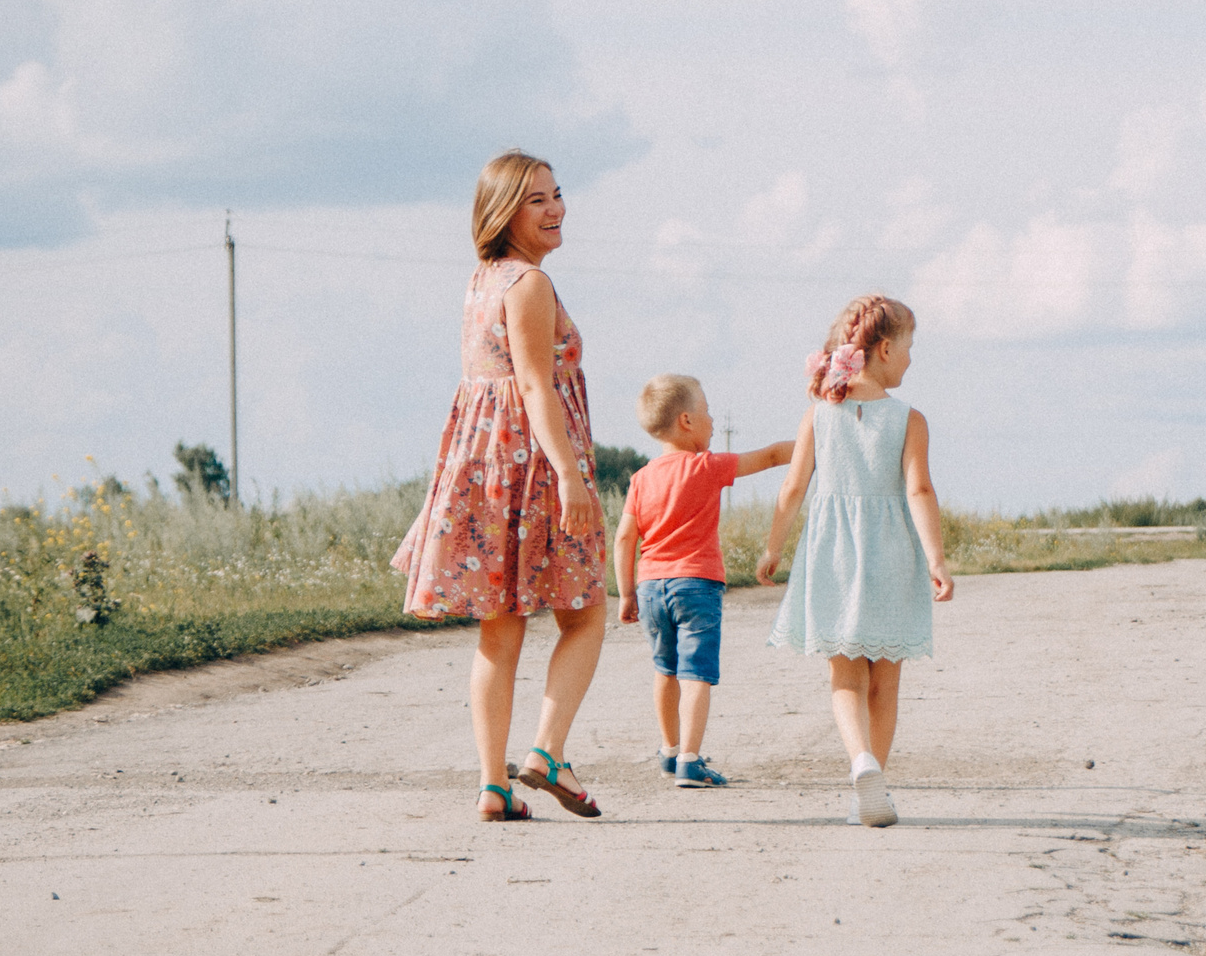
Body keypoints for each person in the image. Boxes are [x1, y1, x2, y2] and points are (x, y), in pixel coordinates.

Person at [391, 150, 609, 822]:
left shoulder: (482, 280)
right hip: (533, 461)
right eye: (535, 200)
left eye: (556, 194)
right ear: (503, 214)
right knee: (585, 611)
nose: (555, 209)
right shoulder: (530, 284)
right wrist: (569, 474)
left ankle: (494, 785)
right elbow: (535, 386)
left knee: (500, 627)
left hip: (483, 463)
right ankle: (547, 752)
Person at [758, 296, 954, 827]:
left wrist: (773, 548)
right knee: (885, 684)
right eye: (909, 346)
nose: (911, 358)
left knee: (845, 678)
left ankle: (860, 761)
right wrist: (936, 559)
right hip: (892, 557)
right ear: (885, 349)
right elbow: (919, 490)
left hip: (833, 558)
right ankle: (875, 786)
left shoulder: (819, 415)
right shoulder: (910, 419)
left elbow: (793, 487)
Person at [613, 374, 793, 788]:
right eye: (708, 411)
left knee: (665, 669)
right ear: (687, 421)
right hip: (696, 583)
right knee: (696, 673)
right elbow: (769, 457)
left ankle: (669, 750)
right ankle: (690, 762)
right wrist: (813, 443)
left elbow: (624, 537)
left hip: (651, 586)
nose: (713, 420)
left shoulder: (642, 478)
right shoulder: (707, 466)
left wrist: (625, 593)